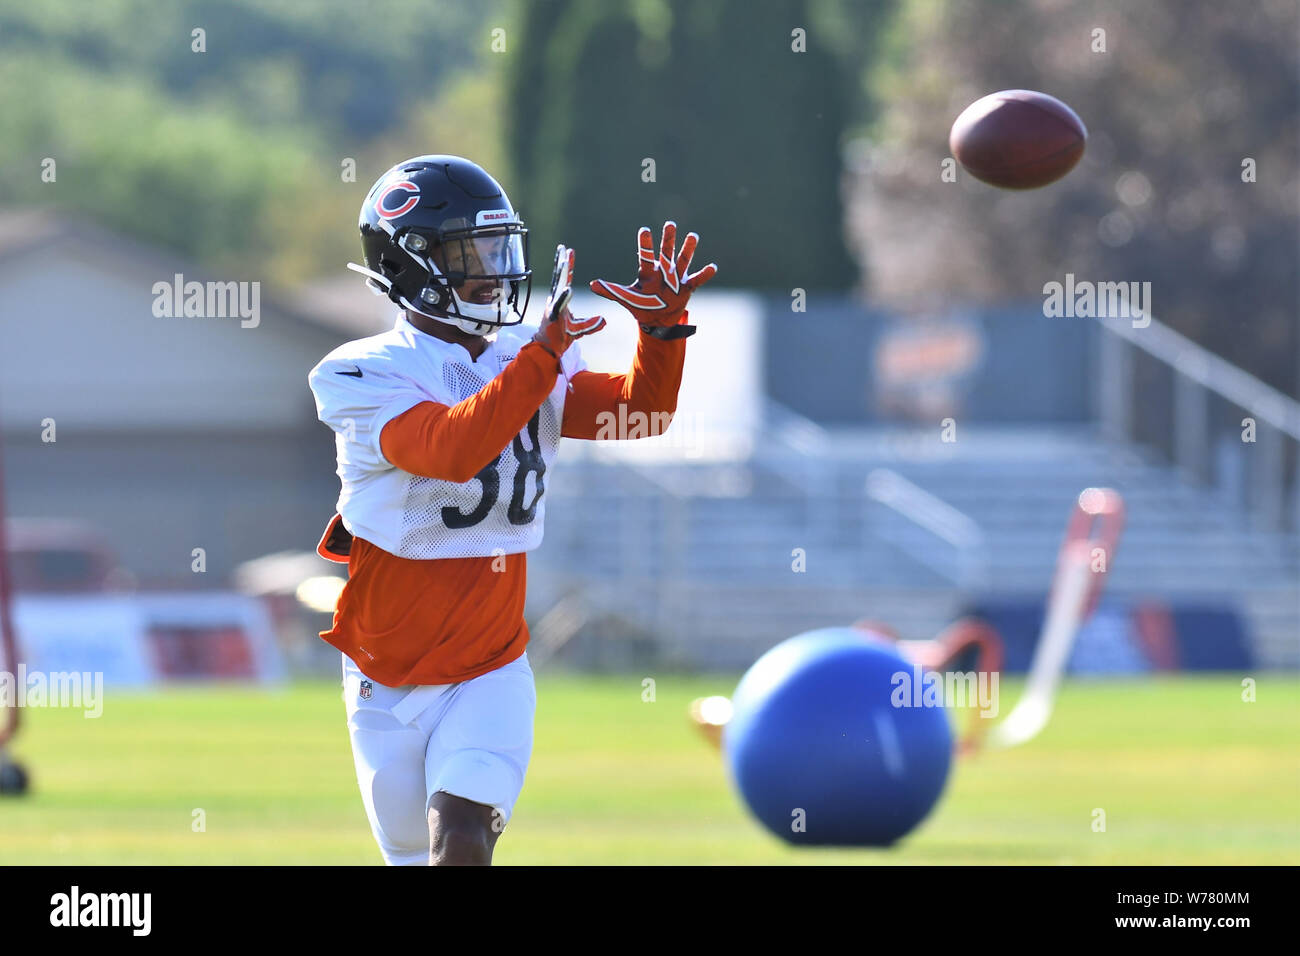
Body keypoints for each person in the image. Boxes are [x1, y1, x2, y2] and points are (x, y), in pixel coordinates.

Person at [307, 155, 717, 865]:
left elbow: (639, 417)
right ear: (411, 266)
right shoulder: (361, 369)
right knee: (415, 854)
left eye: (501, 248)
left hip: (491, 666)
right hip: (387, 672)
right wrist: (541, 358)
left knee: (461, 841)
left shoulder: (526, 356)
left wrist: (662, 333)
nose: (495, 271)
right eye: (471, 253)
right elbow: (450, 448)